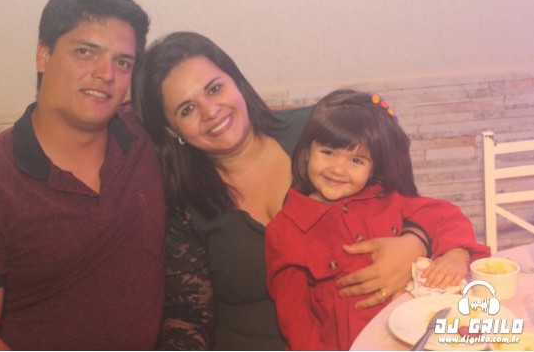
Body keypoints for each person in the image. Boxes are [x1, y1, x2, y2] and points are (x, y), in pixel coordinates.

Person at [132, 31, 480, 350]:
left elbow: (408, 200)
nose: (210, 111)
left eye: (213, 89)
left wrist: (414, 242)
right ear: (170, 130)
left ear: (235, 80)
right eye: (187, 109)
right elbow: (188, 313)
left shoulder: (319, 133)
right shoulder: (182, 203)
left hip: (385, 334)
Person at [0, 0, 166, 350]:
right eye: (86, 52)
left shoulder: (146, 137)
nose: (106, 74)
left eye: (122, 62)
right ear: (43, 55)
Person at [265, 89, 490, 350]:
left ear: (373, 168)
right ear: (307, 152)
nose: (338, 169)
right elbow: (296, 318)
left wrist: (455, 254)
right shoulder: (285, 230)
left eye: (356, 160)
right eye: (328, 152)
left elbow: (446, 215)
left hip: (418, 337)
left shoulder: (388, 198)